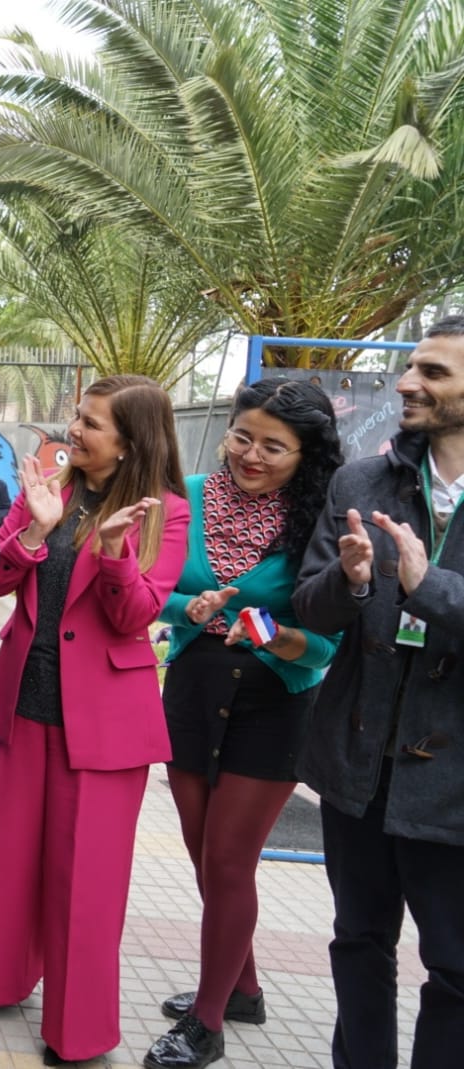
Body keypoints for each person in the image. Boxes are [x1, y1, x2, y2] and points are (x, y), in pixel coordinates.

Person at [0, 374, 190, 1066]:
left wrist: (114, 556)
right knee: (9, 853)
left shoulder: (166, 512)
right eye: (78, 417)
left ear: (131, 441)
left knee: (86, 881)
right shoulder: (50, 484)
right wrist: (35, 525)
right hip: (28, 700)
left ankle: (78, 1028)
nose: (74, 431)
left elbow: (135, 616)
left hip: (106, 723)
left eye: (91, 423)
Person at [144, 379, 343, 1068]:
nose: (250, 455)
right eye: (241, 436)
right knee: (205, 856)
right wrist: (187, 610)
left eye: (273, 446)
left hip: (275, 700)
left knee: (230, 861)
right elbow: (153, 585)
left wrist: (270, 632)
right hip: (193, 691)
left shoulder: (320, 517)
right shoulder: (188, 496)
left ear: (307, 454)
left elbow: (325, 644)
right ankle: (244, 987)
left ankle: (207, 1021)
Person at [293, 315, 464, 1069]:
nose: (407, 382)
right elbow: (309, 603)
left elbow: (435, 596)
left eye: (433, 372)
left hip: (453, 784)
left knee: (456, 968)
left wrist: (431, 589)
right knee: (358, 941)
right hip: (357, 763)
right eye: (411, 368)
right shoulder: (361, 479)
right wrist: (352, 579)